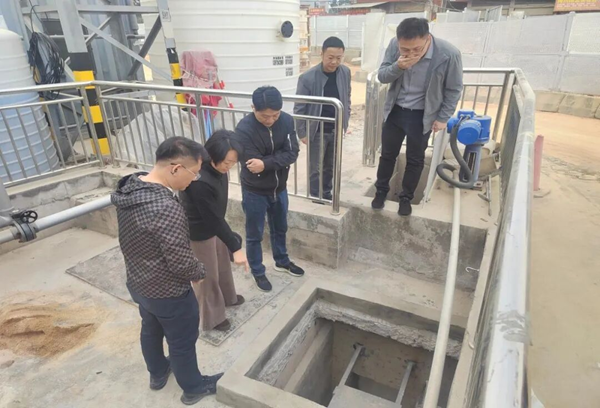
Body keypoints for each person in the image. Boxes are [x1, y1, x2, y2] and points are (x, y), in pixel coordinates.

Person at [111, 137, 223, 406]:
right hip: (168, 291)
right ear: (175, 168)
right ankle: (193, 387)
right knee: (182, 341)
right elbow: (181, 261)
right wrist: (200, 271)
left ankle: (158, 373)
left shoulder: (130, 189)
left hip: (139, 283)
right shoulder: (165, 207)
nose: (194, 180)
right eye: (194, 173)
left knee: (150, 329)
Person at [372, 18, 463, 216]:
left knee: (415, 159)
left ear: (427, 38)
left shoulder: (448, 54)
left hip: (422, 115)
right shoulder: (394, 46)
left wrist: (443, 117)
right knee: (387, 155)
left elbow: (454, 89)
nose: (411, 53)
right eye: (405, 49)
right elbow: (382, 76)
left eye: (417, 49)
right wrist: (399, 66)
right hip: (395, 110)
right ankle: (381, 191)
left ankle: (406, 197)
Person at [235, 86, 304, 292]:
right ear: (253, 108)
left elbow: (292, 152)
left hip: (279, 187)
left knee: (280, 227)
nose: (270, 120)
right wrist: (276, 160)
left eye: (275, 115)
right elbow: (251, 163)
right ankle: (257, 270)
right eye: (265, 116)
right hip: (254, 190)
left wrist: (265, 163)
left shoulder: (287, 121)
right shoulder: (244, 129)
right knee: (254, 233)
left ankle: (282, 261)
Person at [180, 130, 249, 332]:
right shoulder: (199, 181)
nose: (229, 167)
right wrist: (236, 247)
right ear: (212, 155)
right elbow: (212, 219)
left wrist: (229, 240)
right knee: (207, 275)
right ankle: (213, 318)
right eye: (227, 162)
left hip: (215, 225)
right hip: (199, 232)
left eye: (233, 163)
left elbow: (216, 218)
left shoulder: (219, 170)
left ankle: (228, 297)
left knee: (222, 264)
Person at [294, 36, 351, 201]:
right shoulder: (308, 77)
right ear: (322, 54)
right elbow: (299, 107)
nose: (334, 62)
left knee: (331, 165)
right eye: (330, 57)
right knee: (316, 167)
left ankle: (326, 193)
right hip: (317, 129)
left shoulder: (345, 72)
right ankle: (315, 195)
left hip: (336, 127)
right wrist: (302, 132)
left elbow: (347, 97)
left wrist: (345, 120)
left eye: (339, 58)